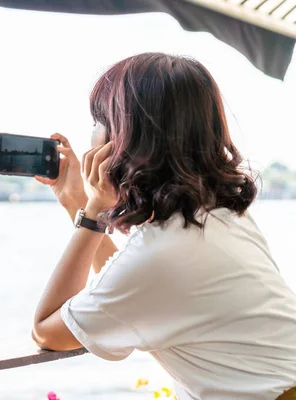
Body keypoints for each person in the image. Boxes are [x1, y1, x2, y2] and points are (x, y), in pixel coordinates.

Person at [32, 53, 296, 400]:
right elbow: (126, 280)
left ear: (124, 141)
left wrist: (94, 211)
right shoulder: (223, 218)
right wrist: (76, 202)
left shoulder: (159, 257)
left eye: (98, 122)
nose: (92, 136)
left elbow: (48, 330)